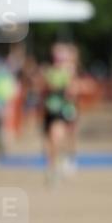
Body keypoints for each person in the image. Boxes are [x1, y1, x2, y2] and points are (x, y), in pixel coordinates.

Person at [40, 42, 79, 184]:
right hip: (49, 110)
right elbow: (44, 89)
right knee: (50, 141)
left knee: (59, 137)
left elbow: (72, 91)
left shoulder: (68, 72)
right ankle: (52, 167)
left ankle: (61, 162)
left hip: (62, 110)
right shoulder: (48, 72)